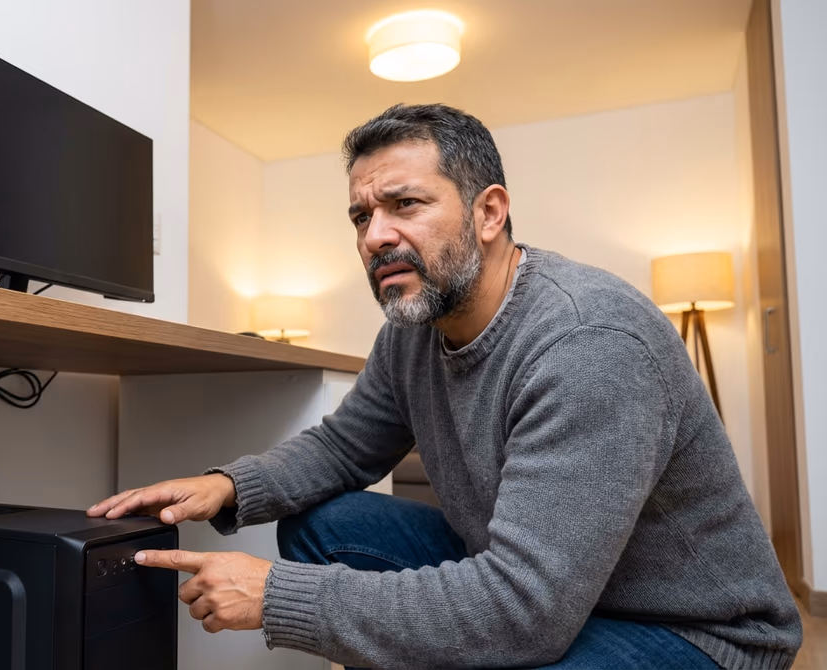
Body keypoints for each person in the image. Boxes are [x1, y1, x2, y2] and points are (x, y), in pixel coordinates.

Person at [87, 103, 802, 669]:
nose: (374, 235)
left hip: (685, 628)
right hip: (545, 588)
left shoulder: (588, 342)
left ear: (490, 213)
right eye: (362, 216)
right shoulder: (413, 329)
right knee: (320, 520)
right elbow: (344, 449)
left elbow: (527, 609)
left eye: (405, 204)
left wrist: (277, 595)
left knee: (506, 627)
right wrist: (229, 486)